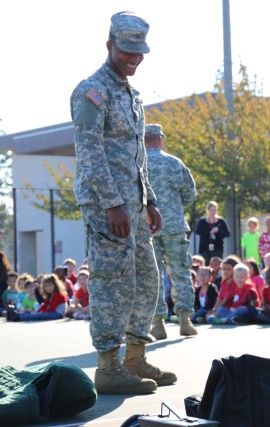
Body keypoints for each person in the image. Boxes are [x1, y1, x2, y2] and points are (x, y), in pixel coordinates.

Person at [70, 11, 175, 394]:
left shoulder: (131, 94)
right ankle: (108, 366)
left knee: (147, 278)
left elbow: (136, 155)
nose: (133, 58)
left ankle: (135, 357)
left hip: (134, 206)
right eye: (127, 51)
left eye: (139, 52)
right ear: (110, 45)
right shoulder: (92, 90)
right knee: (111, 282)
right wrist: (113, 202)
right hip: (105, 207)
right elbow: (89, 151)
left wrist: (149, 199)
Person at [144, 123, 198, 339]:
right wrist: (174, 206)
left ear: (143, 140)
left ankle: (157, 324)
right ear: (161, 139)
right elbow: (190, 195)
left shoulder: (139, 163)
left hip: (147, 226)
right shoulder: (175, 163)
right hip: (174, 225)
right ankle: (185, 320)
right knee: (180, 272)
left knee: (153, 274)